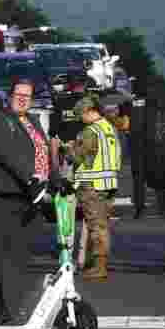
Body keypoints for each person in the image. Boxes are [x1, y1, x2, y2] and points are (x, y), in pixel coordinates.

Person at [0, 77, 58, 327]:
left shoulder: (32, 122)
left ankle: (8, 309)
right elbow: (6, 153)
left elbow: (43, 154)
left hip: (24, 199)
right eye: (18, 94)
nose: (22, 99)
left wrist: (56, 179)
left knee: (15, 258)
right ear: (10, 96)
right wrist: (31, 179)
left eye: (27, 96)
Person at [54, 94, 122, 282]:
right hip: (109, 183)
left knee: (96, 226)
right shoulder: (109, 128)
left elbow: (79, 158)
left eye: (81, 115)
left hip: (92, 185)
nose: (80, 120)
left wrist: (67, 149)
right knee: (103, 225)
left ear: (88, 112)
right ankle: (97, 263)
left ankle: (99, 267)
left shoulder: (90, 131)